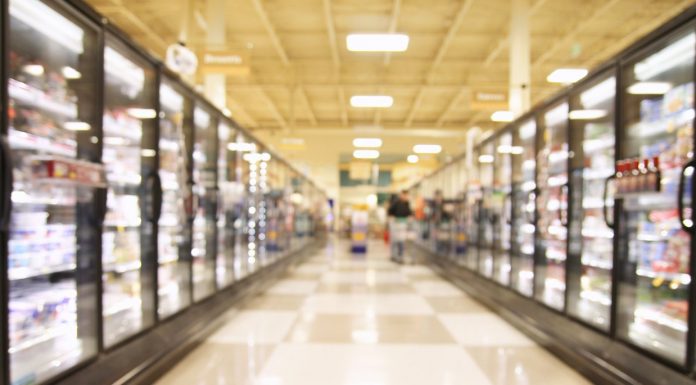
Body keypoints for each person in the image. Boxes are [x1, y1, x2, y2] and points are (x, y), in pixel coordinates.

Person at [387, 190, 412, 263]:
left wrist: (410, 217)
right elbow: (390, 211)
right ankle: (393, 255)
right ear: (401, 195)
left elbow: (409, 213)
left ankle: (400, 255)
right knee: (394, 240)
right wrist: (391, 217)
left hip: (403, 224)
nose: (405, 197)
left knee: (401, 241)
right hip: (395, 224)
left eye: (406, 195)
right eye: (404, 195)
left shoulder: (407, 203)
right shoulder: (396, 202)